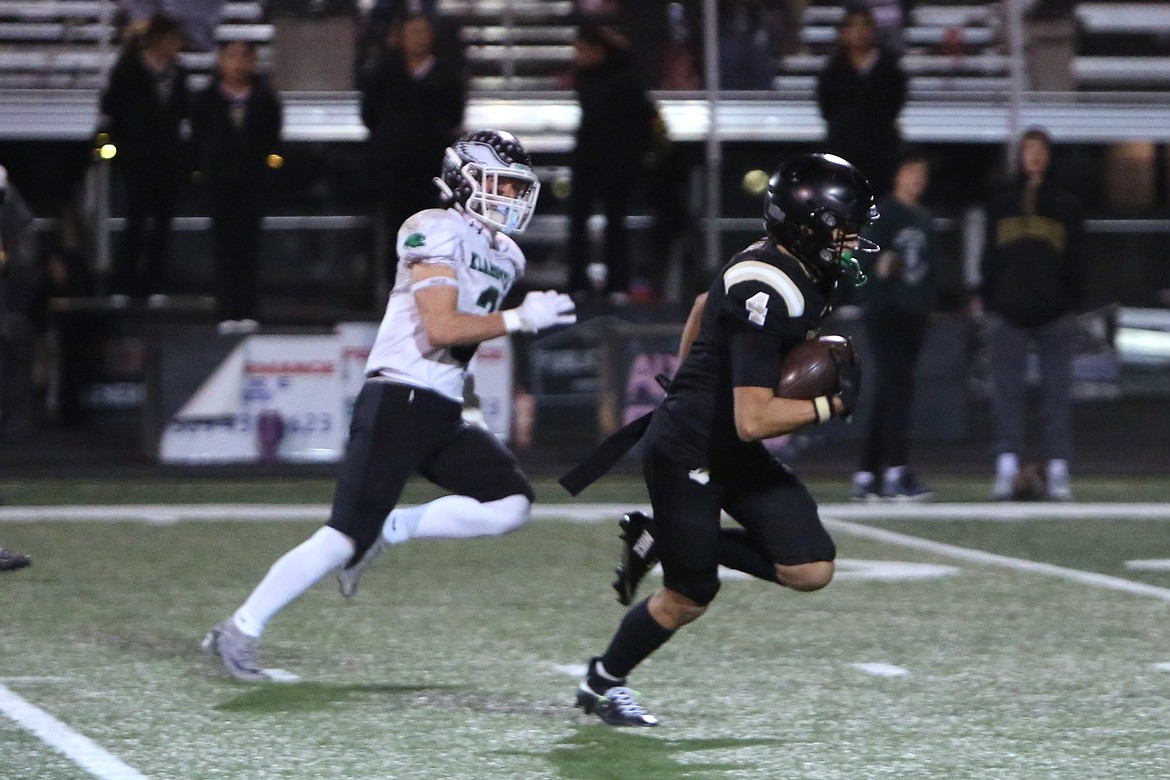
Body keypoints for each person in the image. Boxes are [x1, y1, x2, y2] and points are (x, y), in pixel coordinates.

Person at [204, 130, 577, 681]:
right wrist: (520, 319)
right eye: (498, 182)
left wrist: (467, 405)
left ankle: (392, 529)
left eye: (516, 187)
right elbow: (442, 326)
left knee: (511, 504)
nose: (509, 196)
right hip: (398, 398)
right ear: (462, 180)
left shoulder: (507, 254)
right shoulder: (433, 227)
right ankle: (241, 629)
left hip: (441, 408)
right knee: (339, 538)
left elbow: (464, 344)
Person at [570, 153, 875, 726]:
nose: (853, 238)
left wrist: (687, 377)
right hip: (690, 448)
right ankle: (603, 683)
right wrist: (829, 405)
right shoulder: (769, 284)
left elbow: (701, 305)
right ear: (809, 224)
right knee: (690, 595)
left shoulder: (798, 265)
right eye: (844, 225)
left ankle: (664, 537)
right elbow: (753, 421)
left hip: (725, 444)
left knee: (810, 567)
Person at [979, 127, 1084, 502]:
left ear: (1049, 156)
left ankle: (1057, 470)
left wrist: (1071, 303)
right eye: (1029, 150)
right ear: (1020, 156)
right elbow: (989, 258)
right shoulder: (1001, 202)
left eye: (1041, 150)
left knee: (1057, 395)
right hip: (1007, 313)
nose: (1035, 157)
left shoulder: (1066, 204)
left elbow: (1077, 260)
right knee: (1007, 395)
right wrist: (990, 302)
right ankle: (1007, 468)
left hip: (1055, 313)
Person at [850, 152, 937, 501]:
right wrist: (879, 267)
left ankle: (868, 474)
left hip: (913, 313)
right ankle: (897, 471)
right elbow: (861, 259)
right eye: (910, 173)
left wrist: (927, 307)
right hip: (886, 311)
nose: (917, 180)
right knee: (897, 389)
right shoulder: (884, 214)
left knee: (891, 392)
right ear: (897, 176)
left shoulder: (925, 218)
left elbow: (929, 269)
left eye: (922, 174)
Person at [359, 13, 466, 286]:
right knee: (395, 231)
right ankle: (394, 291)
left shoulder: (446, 73)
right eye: (412, 32)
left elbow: (455, 114)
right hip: (393, 169)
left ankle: (432, 292)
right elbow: (369, 114)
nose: (418, 38)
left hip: (431, 169)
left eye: (423, 32)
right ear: (401, 36)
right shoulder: (383, 72)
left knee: (432, 233)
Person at [191, 39, 283, 334]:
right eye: (231, 57)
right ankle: (226, 311)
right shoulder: (205, 99)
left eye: (245, 57)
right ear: (220, 61)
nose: (238, 63)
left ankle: (248, 310)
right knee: (223, 248)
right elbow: (197, 139)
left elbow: (274, 140)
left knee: (249, 249)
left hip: (252, 185)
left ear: (253, 62)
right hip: (219, 185)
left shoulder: (265, 99)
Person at [99, 13, 189, 302]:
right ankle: (123, 285)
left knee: (162, 224)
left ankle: (156, 284)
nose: (177, 45)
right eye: (172, 39)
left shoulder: (178, 72)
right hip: (137, 159)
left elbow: (184, 111)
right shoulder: (128, 69)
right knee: (135, 222)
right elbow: (110, 107)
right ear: (158, 39)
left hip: (167, 159)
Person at [566, 23, 656, 301]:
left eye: (583, 50)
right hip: (587, 159)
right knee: (578, 221)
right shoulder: (585, 77)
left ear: (598, 50)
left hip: (617, 161)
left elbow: (645, 116)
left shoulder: (625, 79)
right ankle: (578, 283)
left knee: (616, 223)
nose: (577, 56)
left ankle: (617, 284)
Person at [815, 6, 907, 198]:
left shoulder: (889, 68)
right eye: (853, 27)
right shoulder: (833, 70)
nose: (859, 33)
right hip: (843, 150)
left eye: (864, 26)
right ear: (844, 32)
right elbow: (826, 107)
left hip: (880, 153)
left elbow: (896, 103)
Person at [0, 165, 45, 441]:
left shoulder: (13, 210)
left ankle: (16, 430)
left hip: (9, 299)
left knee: (14, 351)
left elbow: (25, 259)